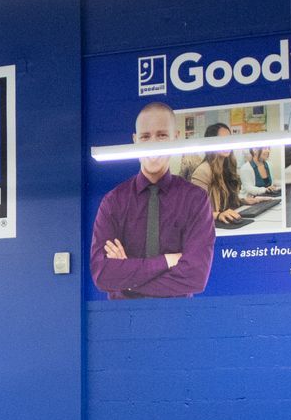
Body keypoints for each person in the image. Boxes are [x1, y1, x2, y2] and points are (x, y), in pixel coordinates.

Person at [91, 102, 214, 298]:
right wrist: (166, 261)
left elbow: (195, 277)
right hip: (123, 320)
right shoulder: (113, 202)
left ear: (176, 138)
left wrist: (127, 281)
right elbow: (104, 275)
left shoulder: (195, 200)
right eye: (145, 136)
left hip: (178, 320)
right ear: (135, 140)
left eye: (162, 135)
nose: (153, 143)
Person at [187, 123, 245, 227]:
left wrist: (243, 201)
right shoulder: (203, 171)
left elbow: (226, 200)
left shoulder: (228, 168)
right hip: (211, 229)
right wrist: (218, 215)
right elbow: (195, 212)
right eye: (221, 140)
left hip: (226, 225)